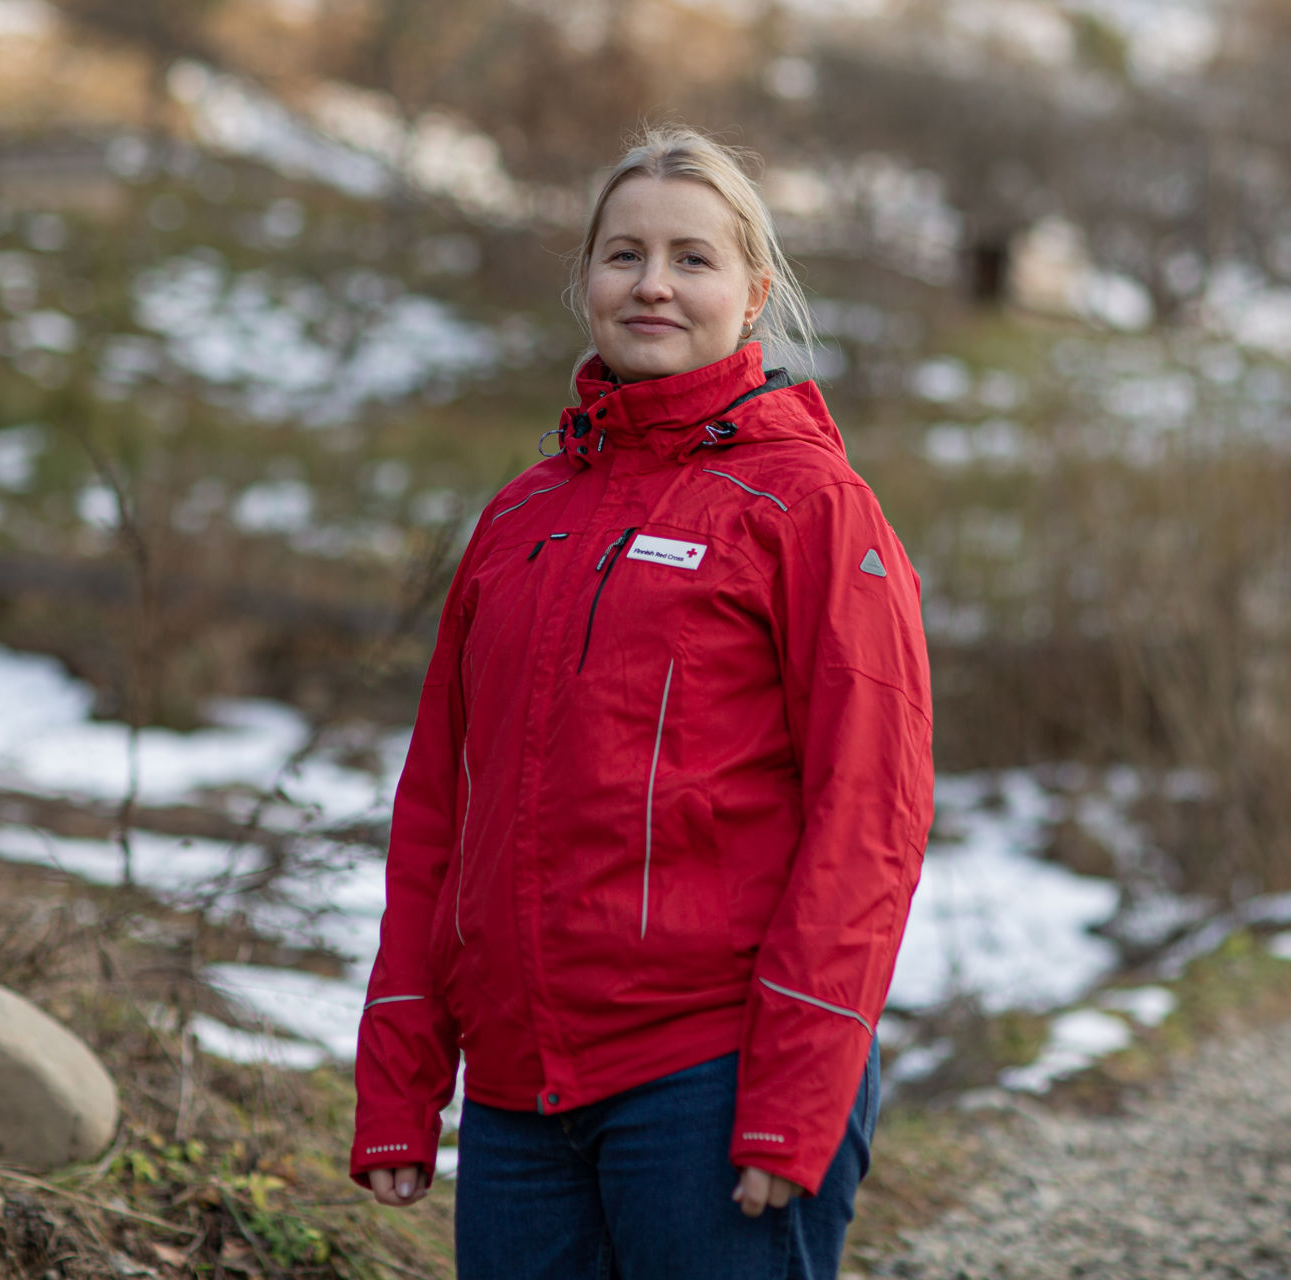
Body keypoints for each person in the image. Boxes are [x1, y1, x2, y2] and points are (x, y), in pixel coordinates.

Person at [349, 125, 935, 1280]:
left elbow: (870, 812)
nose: (653, 282)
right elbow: (436, 811)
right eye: (623, 254)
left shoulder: (811, 506)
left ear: (755, 292)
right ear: (585, 282)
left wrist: (797, 1088)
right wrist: (403, 1074)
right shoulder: (520, 518)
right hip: (519, 1102)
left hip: (709, 1078)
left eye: (693, 258)